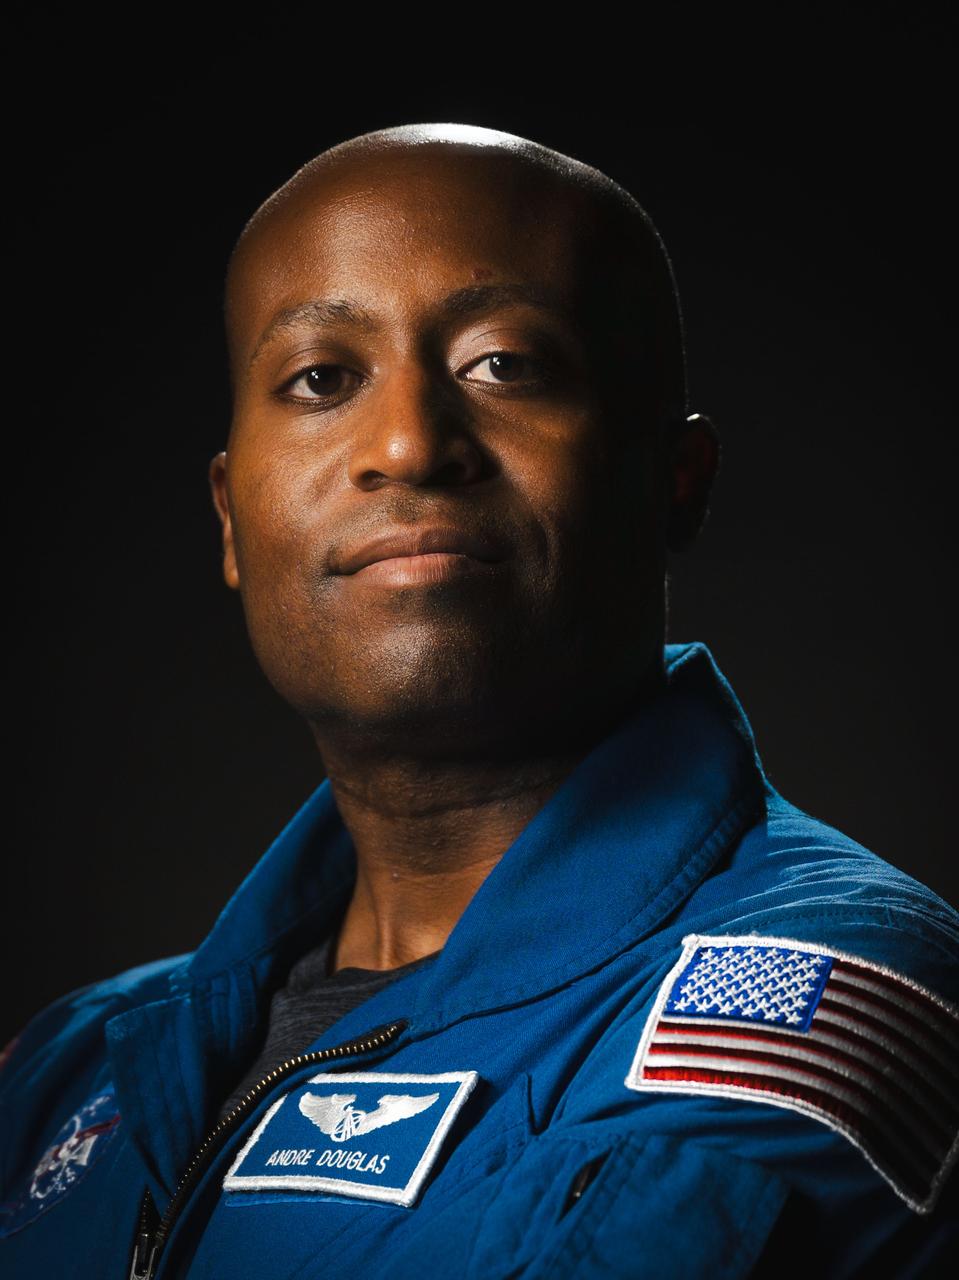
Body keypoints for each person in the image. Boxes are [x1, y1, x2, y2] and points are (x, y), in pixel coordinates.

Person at [1, 122, 956, 1280]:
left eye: (504, 363)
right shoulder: (70, 1066)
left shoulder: (807, 994)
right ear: (228, 521)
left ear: (674, 480)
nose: (406, 443)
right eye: (320, 378)